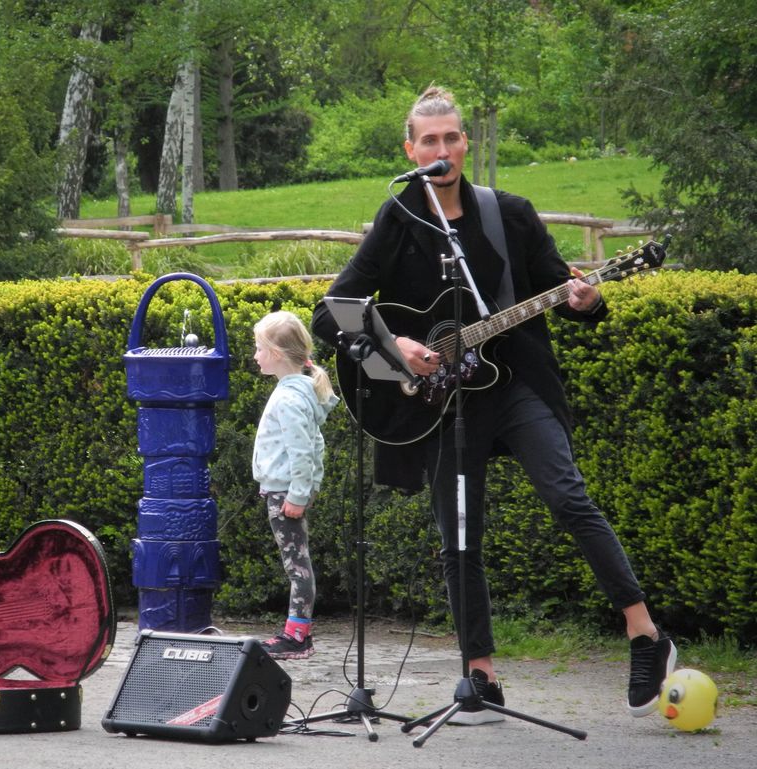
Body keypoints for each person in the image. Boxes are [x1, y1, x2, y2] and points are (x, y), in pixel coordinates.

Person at [310, 86, 674, 722]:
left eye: (452, 137)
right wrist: (396, 345)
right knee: (459, 539)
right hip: (444, 405)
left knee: (568, 496)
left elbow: (562, 286)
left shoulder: (507, 212)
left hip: (515, 385)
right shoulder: (399, 218)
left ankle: (645, 633)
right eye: (430, 140)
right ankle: (481, 675)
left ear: (465, 143)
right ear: (411, 149)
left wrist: (587, 299)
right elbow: (333, 312)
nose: (442, 149)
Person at [252, 311, 339, 660]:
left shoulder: (289, 399)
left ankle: (297, 637)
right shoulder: (297, 392)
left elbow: (303, 452)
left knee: (297, 566)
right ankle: (297, 633)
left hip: (285, 494)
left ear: (275, 353)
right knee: (297, 563)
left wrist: (298, 495)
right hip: (285, 491)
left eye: (259, 348)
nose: (255, 356)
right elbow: (314, 447)